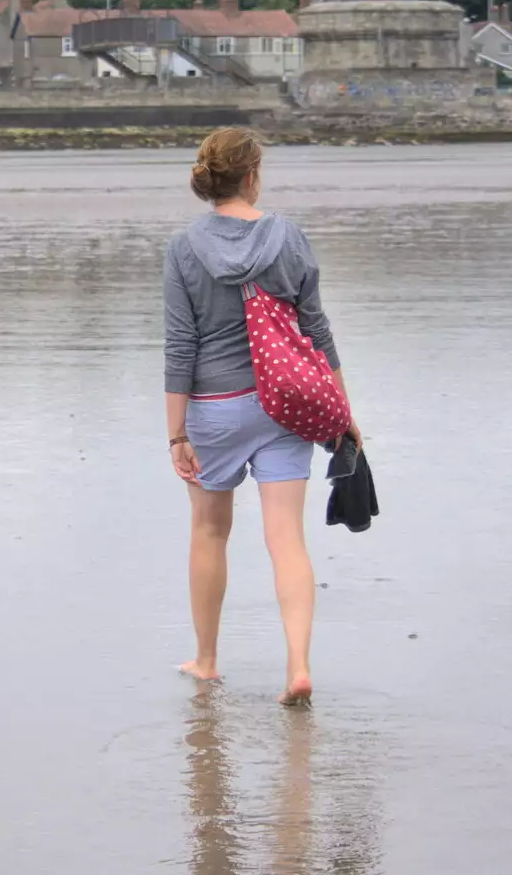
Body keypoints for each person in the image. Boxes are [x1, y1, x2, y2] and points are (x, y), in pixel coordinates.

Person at [163, 127, 360, 705]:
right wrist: (343, 411)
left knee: (209, 531)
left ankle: (206, 660)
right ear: (252, 176)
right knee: (286, 539)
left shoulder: (184, 247)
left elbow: (181, 345)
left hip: (214, 409)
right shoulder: (288, 237)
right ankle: (297, 665)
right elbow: (317, 329)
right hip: (285, 404)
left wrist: (176, 433)